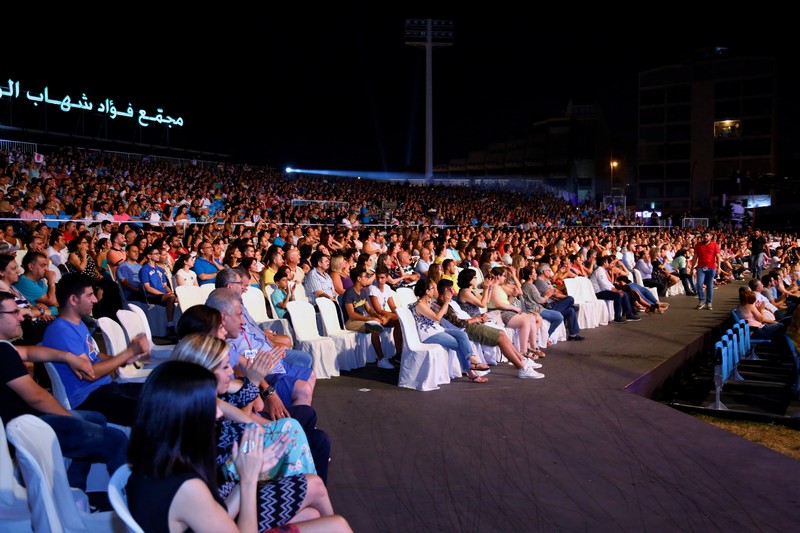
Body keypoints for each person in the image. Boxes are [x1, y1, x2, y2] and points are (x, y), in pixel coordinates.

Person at [126, 361, 351, 533]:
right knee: (337, 524)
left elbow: (214, 513)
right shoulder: (186, 486)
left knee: (314, 514)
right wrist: (249, 479)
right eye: (209, 405)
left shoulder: (153, 463)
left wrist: (247, 474)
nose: (218, 412)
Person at [0, 290, 127, 491]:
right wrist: (68, 417)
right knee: (116, 440)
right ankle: (133, 505)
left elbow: (29, 351)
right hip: (27, 429)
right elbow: (36, 397)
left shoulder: (5, 348)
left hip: (25, 422)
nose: (21, 316)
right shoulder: (2, 352)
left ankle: (75, 488)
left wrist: (68, 356)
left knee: (96, 418)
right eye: (14, 312)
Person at [41, 273, 150, 426]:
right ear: (73, 299)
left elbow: (95, 355)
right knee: (152, 410)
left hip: (104, 388)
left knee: (157, 392)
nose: (95, 299)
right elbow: (89, 374)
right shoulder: (61, 331)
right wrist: (129, 352)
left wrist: (123, 360)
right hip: (87, 398)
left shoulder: (77, 323)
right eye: (90, 295)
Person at [436, 278, 544, 379]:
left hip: (472, 324)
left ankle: (522, 360)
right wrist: (477, 319)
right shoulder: (443, 305)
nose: (454, 290)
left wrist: (478, 318)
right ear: (447, 290)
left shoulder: (450, 302)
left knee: (501, 332)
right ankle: (522, 368)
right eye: (451, 289)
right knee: (500, 339)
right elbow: (459, 323)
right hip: (467, 329)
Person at [409, 276, 490, 383]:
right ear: (427, 291)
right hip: (429, 335)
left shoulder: (430, 302)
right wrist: (446, 302)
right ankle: (472, 370)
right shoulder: (419, 305)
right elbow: (437, 317)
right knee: (458, 344)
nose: (434, 291)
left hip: (437, 329)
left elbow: (443, 312)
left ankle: (472, 360)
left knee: (462, 335)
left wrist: (447, 301)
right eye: (432, 288)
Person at [342, 265, 395, 369]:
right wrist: (370, 319)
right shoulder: (349, 293)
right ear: (359, 278)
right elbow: (352, 315)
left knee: (379, 323)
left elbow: (369, 309)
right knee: (374, 329)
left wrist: (377, 316)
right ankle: (381, 359)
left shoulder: (362, 291)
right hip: (351, 322)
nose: (367, 278)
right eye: (365, 276)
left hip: (361, 319)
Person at [519, 265, 583, 341]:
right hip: (539, 309)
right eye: (535, 273)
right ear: (530, 276)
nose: (536, 274)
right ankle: (547, 337)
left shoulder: (529, 285)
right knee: (561, 313)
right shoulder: (532, 285)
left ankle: (573, 335)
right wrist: (547, 295)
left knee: (570, 310)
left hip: (542, 307)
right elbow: (540, 300)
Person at [140, 245, 178, 335]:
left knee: (175, 297)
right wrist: (163, 294)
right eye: (156, 254)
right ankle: (170, 325)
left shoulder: (160, 270)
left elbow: (165, 285)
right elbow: (147, 287)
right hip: (152, 296)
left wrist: (169, 292)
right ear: (149, 256)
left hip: (164, 295)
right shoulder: (144, 269)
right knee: (171, 298)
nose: (159, 256)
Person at [692, 231, 721, 311]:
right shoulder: (698, 245)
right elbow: (695, 257)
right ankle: (702, 300)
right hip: (700, 267)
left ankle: (709, 302)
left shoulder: (715, 245)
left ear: (711, 236)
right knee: (699, 284)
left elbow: (718, 257)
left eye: (707, 236)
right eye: (704, 236)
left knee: (710, 286)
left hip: (711, 267)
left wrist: (719, 267)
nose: (705, 237)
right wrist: (692, 267)